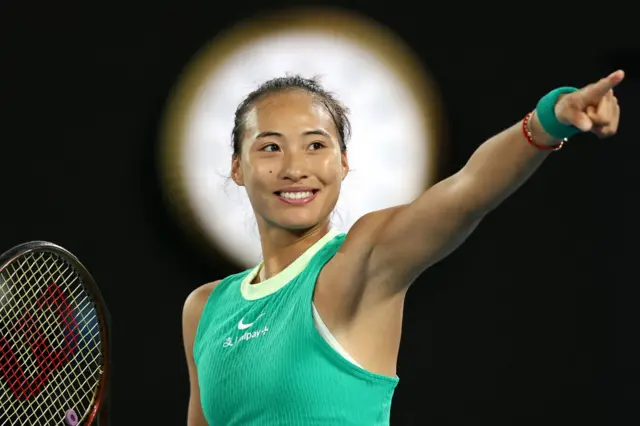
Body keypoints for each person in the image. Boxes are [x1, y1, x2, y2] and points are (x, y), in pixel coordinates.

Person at [182, 71, 623, 425]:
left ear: (343, 162)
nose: (295, 168)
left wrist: (551, 119)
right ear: (238, 167)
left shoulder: (360, 261)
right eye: (271, 147)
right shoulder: (205, 309)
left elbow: (467, 192)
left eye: (316, 145)